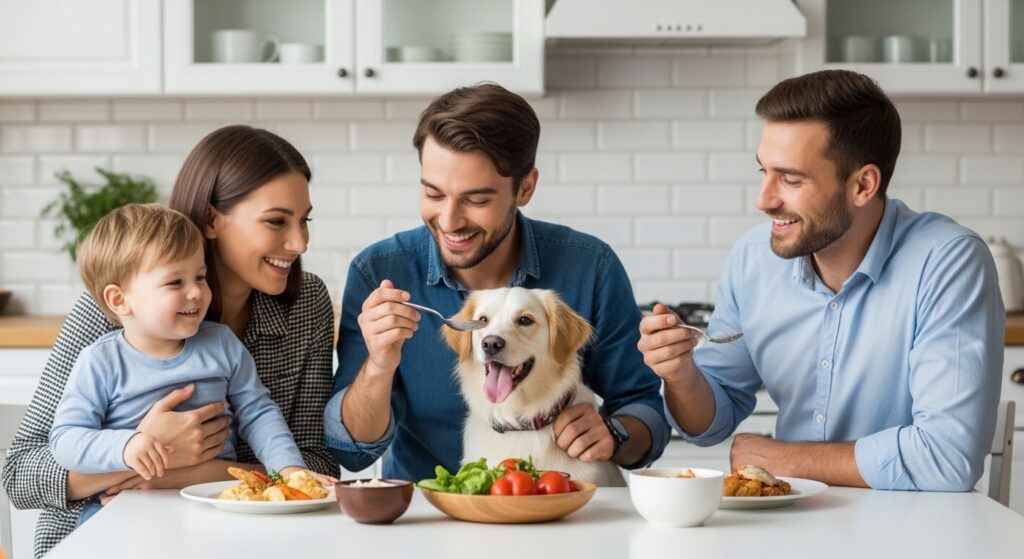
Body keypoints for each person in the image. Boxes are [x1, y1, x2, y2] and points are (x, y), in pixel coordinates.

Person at [638, 69, 1004, 491]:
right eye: (764, 172)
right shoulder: (753, 258)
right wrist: (681, 375)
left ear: (863, 184)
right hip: (789, 520)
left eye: (791, 179)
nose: (764, 200)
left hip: (912, 527)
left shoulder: (947, 261)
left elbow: (946, 459)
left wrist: (783, 458)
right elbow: (710, 423)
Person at [2, 125, 337, 558]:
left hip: (234, 533)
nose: (299, 242)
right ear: (213, 219)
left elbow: (319, 467)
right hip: (98, 530)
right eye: (276, 221)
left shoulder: (305, 301)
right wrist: (139, 453)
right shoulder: (117, 308)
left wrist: (197, 472)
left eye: (304, 220)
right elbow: (22, 473)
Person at [325, 83, 669, 482]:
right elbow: (349, 450)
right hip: (424, 515)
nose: (450, 221)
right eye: (433, 194)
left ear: (525, 188)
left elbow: (644, 412)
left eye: (476, 200)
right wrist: (379, 366)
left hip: (565, 514)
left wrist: (615, 433)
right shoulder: (380, 273)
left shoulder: (590, 267)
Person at [50, 204, 324, 526]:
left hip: (212, 501)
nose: (196, 292)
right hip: (124, 507)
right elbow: (65, 439)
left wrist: (289, 469)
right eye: (175, 283)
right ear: (119, 300)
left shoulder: (221, 343)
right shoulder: (101, 361)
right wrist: (126, 446)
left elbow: (258, 411)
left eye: (200, 276)